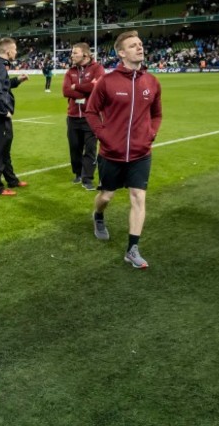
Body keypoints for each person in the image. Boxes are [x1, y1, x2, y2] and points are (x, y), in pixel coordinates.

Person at [85, 30, 162, 269]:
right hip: (111, 153)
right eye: (133, 45)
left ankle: (132, 249)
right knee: (106, 196)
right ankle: (98, 215)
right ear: (121, 53)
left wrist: (151, 133)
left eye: (140, 44)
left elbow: (157, 114)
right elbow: (90, 111)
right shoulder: (108, 82)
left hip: (141, 153)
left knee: (138, 197)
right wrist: (104, 135)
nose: (139, 48)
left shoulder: (152, 82)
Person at [0, 37, 29, 196]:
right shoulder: (0, 68)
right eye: (15, 49)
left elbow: (3, 86)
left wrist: (18, 81)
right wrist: (4, 111)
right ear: (8, 51)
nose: (16, 52)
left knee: (5, 148)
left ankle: (12, 180)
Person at [62, 42, 105, 191]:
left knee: (91, 149)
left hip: (91, 117)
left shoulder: (98, 69)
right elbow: (66, 91)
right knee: (75, 148)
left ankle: (87, 179)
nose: (72, 55)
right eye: (72, 53)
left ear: (85, 55)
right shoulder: (70, 71)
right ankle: (78, 173)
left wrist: (77, 87)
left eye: (75, 53)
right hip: (73, 116)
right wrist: (86, 89)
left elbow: (97, 87)